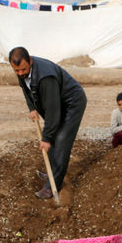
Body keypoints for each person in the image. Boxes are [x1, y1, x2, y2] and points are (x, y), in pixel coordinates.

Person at [9, 47, 87, 200]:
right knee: (53, 137)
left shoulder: (46, 77)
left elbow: (53, 111)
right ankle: (52, 172)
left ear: (30, 61)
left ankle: (52, 186)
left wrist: (46, 138)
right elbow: (26, 89)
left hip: (72, 103)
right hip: (57, 103)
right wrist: (32, 108)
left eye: (23, 69)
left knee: (61, 140)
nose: (20, 73)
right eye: (16, 71)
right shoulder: (22, 70)